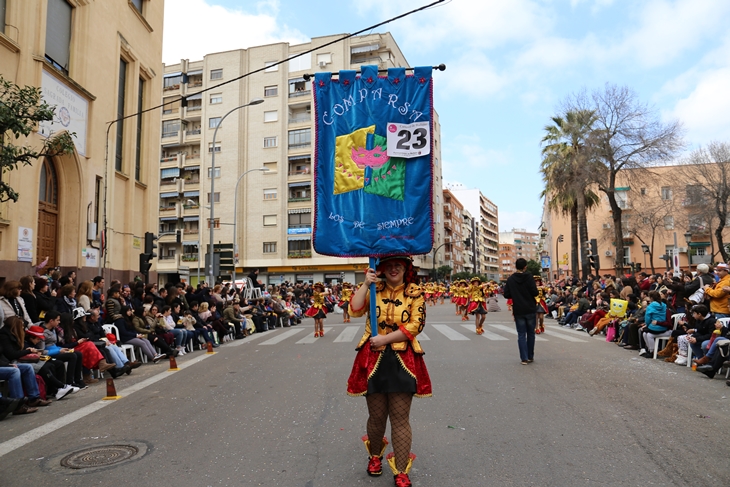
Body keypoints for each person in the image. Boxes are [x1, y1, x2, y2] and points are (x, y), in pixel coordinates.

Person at [347, 256, 431, 487]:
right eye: (389, 265)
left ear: (405, 269)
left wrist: (385, 338)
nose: (393, 269)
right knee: (376, 416)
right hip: (373, 358)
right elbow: (354, 310)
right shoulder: (374, 288)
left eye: (399, 266)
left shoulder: (415, 293)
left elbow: (416, 325)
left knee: (400, 419)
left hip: (402, 359)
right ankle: (375, 457)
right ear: (382, 268)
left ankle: (401, 470)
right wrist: (365, 284)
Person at [503, 258, 539, 364]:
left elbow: (506, 294)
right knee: (531, 333)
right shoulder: (529, 277)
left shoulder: (511, 279)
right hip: (530, 308)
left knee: (521, 334)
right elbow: (535, 292)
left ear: (515, 266)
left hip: (518, 309)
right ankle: (530, 356)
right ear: (525, 267)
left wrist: (515, 294)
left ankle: (524, 358)